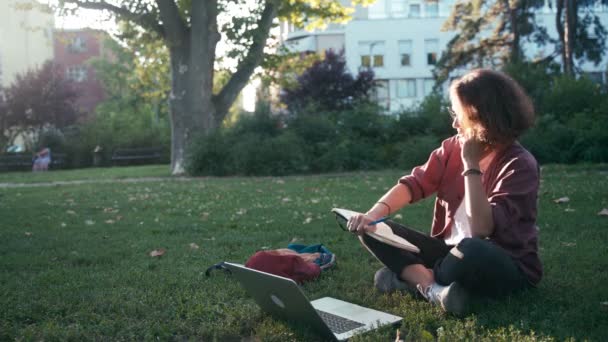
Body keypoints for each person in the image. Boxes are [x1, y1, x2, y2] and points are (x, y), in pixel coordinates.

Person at [347, 69, 541, 316]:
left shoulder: (519, 164)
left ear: (482, 115)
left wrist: (471, 165)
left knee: (471, 248)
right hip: (449, 254)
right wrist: (371, 215)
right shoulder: (452, 147)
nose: (454, 123)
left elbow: (482, 229)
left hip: (500, 262)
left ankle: (409, 278)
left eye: (459, 115)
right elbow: (414, 184)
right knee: (372, 229)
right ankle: (434, 289)